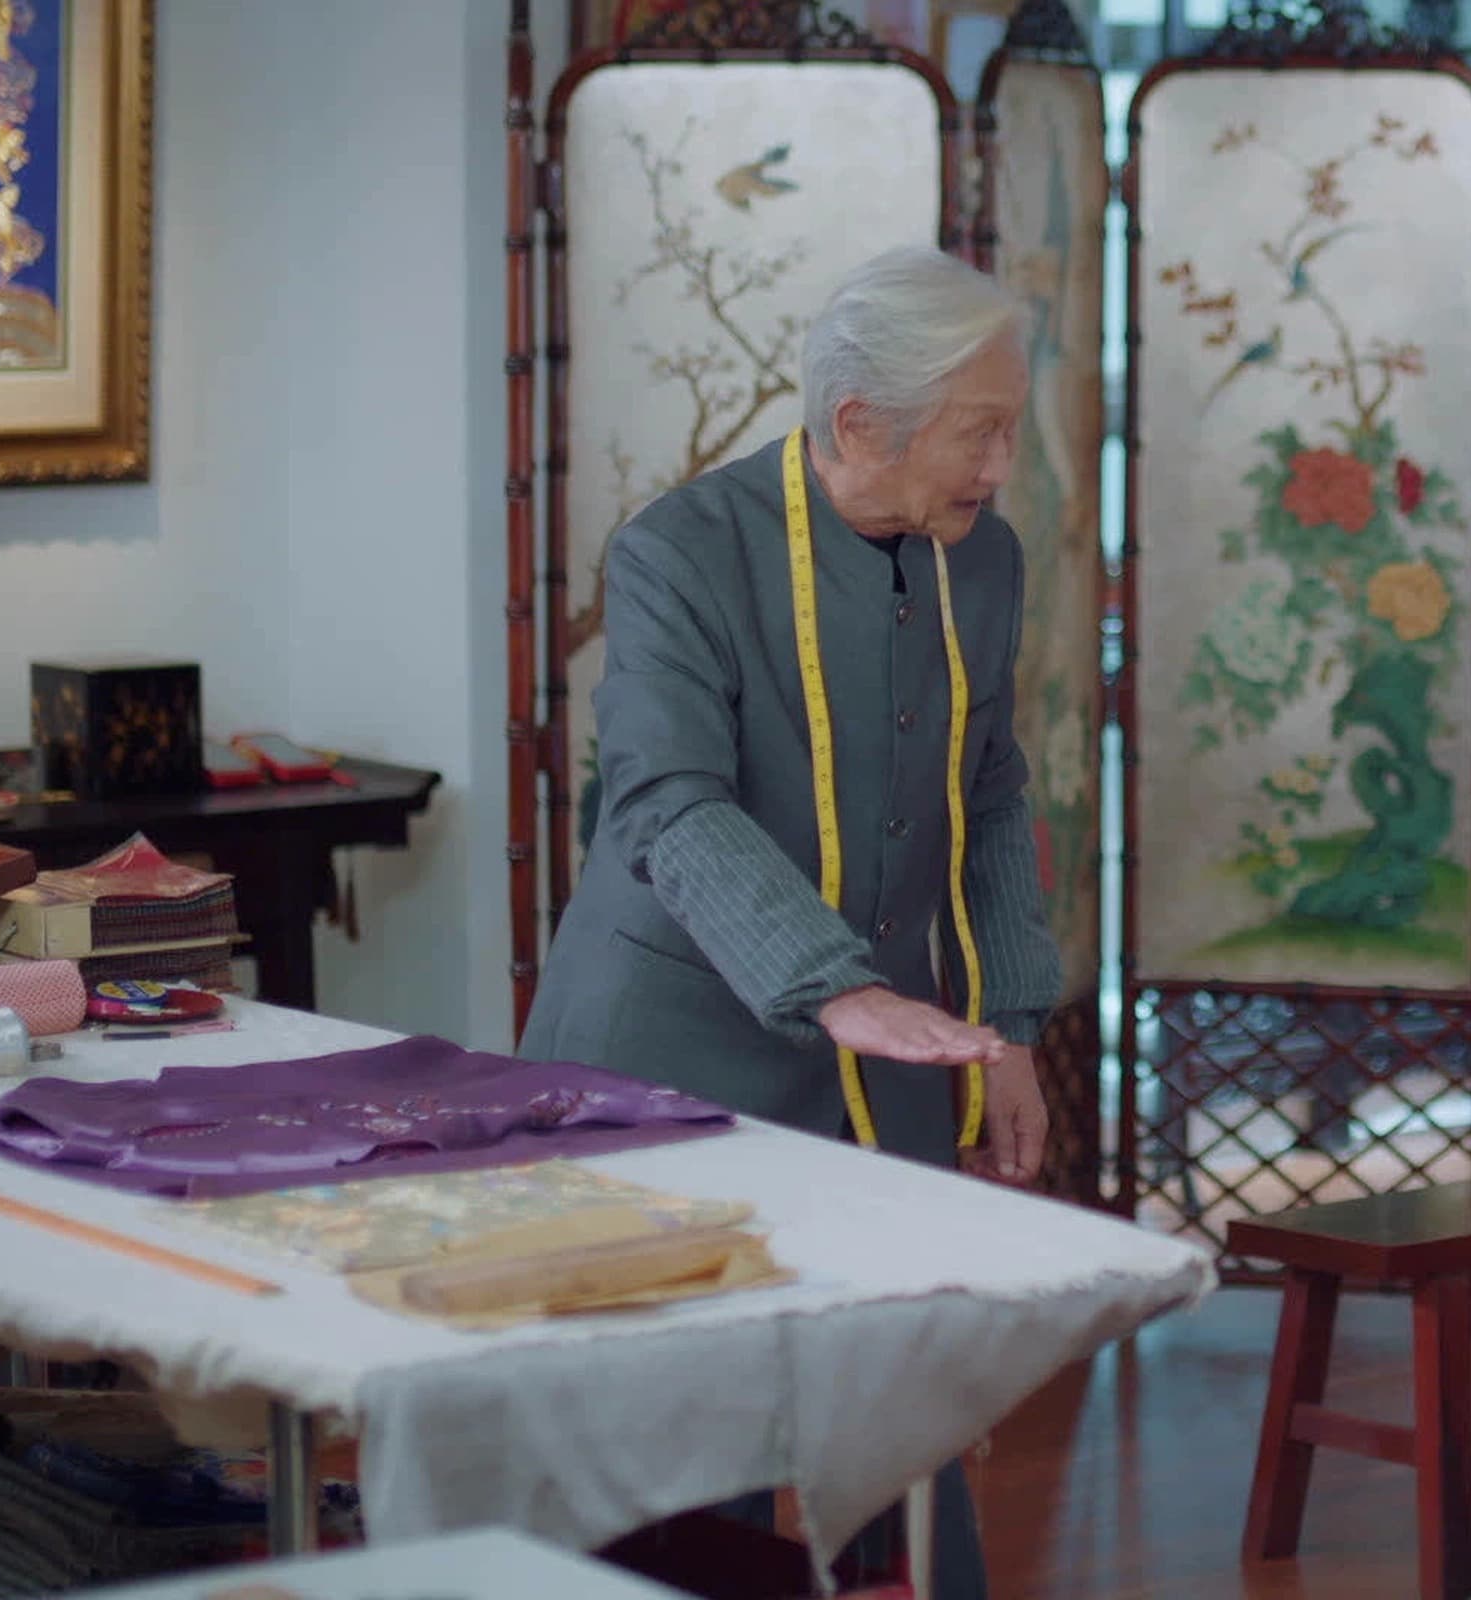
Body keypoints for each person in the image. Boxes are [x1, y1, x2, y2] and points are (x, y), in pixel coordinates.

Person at [520, 245, 1063, 1599]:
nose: (1004, 467)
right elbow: (668, 805)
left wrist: (1007, 1025)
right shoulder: (678, 553)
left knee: (898, 1430)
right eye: (982, 432)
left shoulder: (982, 560)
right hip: (670, 1062)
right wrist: (835, 987)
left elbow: (991, 793)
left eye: (1010, 428)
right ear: (861, 424)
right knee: (668, 1470)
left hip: (889, 1059)